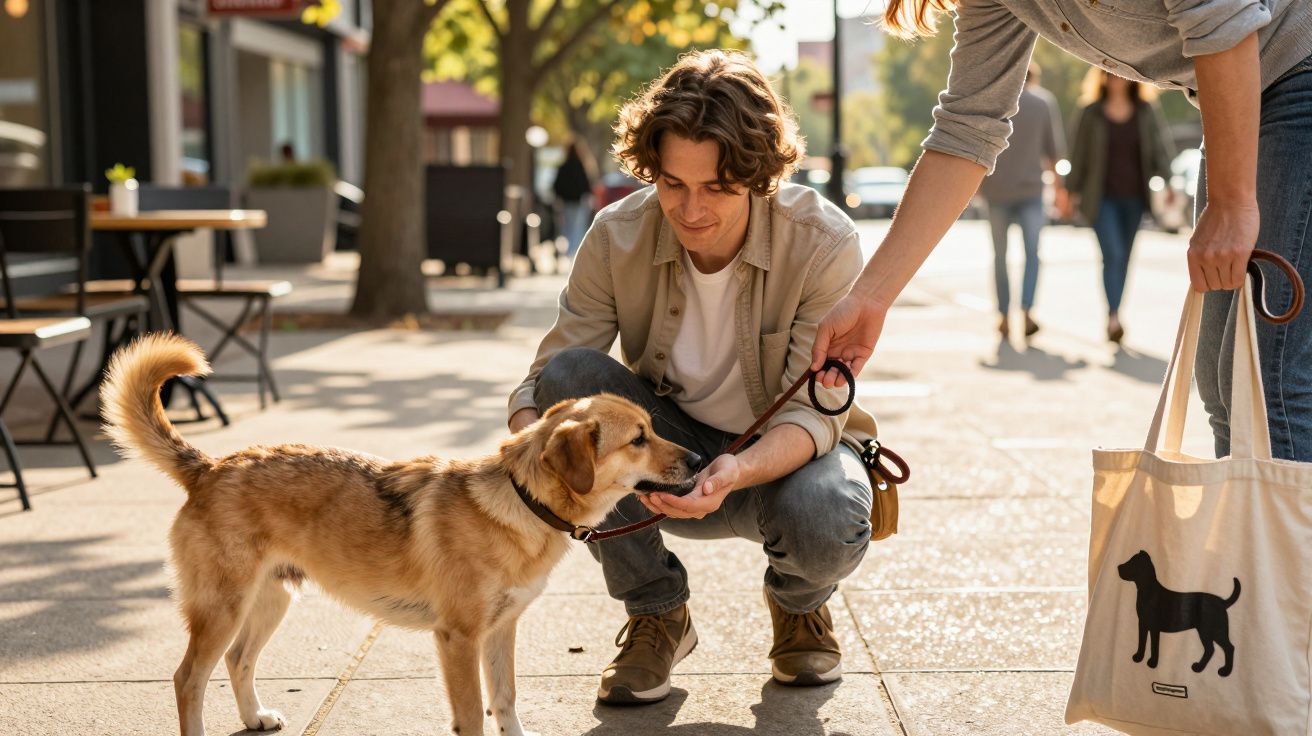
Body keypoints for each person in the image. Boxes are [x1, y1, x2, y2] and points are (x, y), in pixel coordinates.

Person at [507, 50, 882, 704]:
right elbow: (551, 375)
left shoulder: (822, 242)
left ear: (760, 177)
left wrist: (736, 470)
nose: (692, 210)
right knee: (568, 388)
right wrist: (529, 444)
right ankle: (656, 614)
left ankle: (799, 607)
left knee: (828, 515)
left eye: (717, 188)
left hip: (785, 463)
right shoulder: (615, 235)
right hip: (661, 455)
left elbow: (813, 414)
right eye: (672, 184)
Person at [812, 0, 1312, 464]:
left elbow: (1221, 14)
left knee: (1269, 387)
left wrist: (1231, 204)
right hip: (1248, 91)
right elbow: (967, 127)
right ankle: (1253, 555)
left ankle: (1285, 559)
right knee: (1225, 387)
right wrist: (872, 298)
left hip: (1296, 68)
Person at [1066, 67, 1176, 345]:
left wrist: (1170, 183)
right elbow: (1077, 155)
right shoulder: (1090, 112)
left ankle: (1116, 311)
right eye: (1111, 74)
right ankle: (1113, 316)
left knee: (1125, 258)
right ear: (1102, 77)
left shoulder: (1145, 111)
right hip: (1101, 199)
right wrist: (1069, 192)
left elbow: (1159, 150)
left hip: (1135, 198)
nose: (1117, 79)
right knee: (1112, 254)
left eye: (1123, 74)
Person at [978, 62, 1065, 339]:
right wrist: (1061, 192)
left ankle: (1003, 316)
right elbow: (1053, 153)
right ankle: (1026, 311)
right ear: (1034, 77)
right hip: (1031, 192)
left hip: (996, 191)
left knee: (1000, 256)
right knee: (1032, 255)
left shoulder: (993, 103)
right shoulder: (1043, 103)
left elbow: (978, 146)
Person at [552, 139, 597, 257]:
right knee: (578, 228)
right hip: (579, 202)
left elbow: (556, 185)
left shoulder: (563, 167)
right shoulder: (582, 166)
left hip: (566, 203)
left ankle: (568, 252)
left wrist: (559, 198)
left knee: (567, 228)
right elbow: (586, 185)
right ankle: (574, 253)